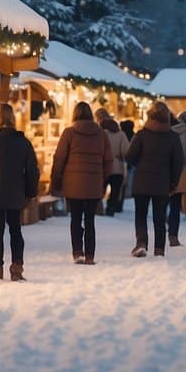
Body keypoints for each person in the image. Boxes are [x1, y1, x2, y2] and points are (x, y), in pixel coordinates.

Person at [0, 103, 39, 279]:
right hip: (16, 193)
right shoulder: (23, 142)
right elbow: (32, 170)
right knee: (15, 230)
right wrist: (30, 192)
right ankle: (17, 268)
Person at [51, 102, 109, 266]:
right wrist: (104, 180)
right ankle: (90, 254)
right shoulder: (101, 134)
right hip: (93, 183)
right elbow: (108, 159)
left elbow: (59, 158)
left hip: (73, 184)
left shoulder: (69, 133)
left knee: (76, 218)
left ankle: (78, 252)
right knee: (90, 220)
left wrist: (56, 180)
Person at [125, 101, 184, 257]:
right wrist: (174, 182)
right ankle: (159, 249)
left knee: (141, 214)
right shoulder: (173, 137)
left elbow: (130, 156)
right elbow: (178, 162)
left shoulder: (142, 135)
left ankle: (141, 243)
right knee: (160, 217)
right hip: (162, 182)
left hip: (142, 180)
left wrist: (140, 163)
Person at [167, 112, 186, 246]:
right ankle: (173, 234)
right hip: (180, 172)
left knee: (160, 204)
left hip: (161, 173)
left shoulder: (162, 132)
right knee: (175, 204)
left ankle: (158, 236)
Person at [96, 108, 130, 217]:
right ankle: (111, 209)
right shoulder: (121, 135)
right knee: (115, 191)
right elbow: (126, 152)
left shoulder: (99, 134)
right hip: (117, 168)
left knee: (100, 189)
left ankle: (98, 208)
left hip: (103, 166)